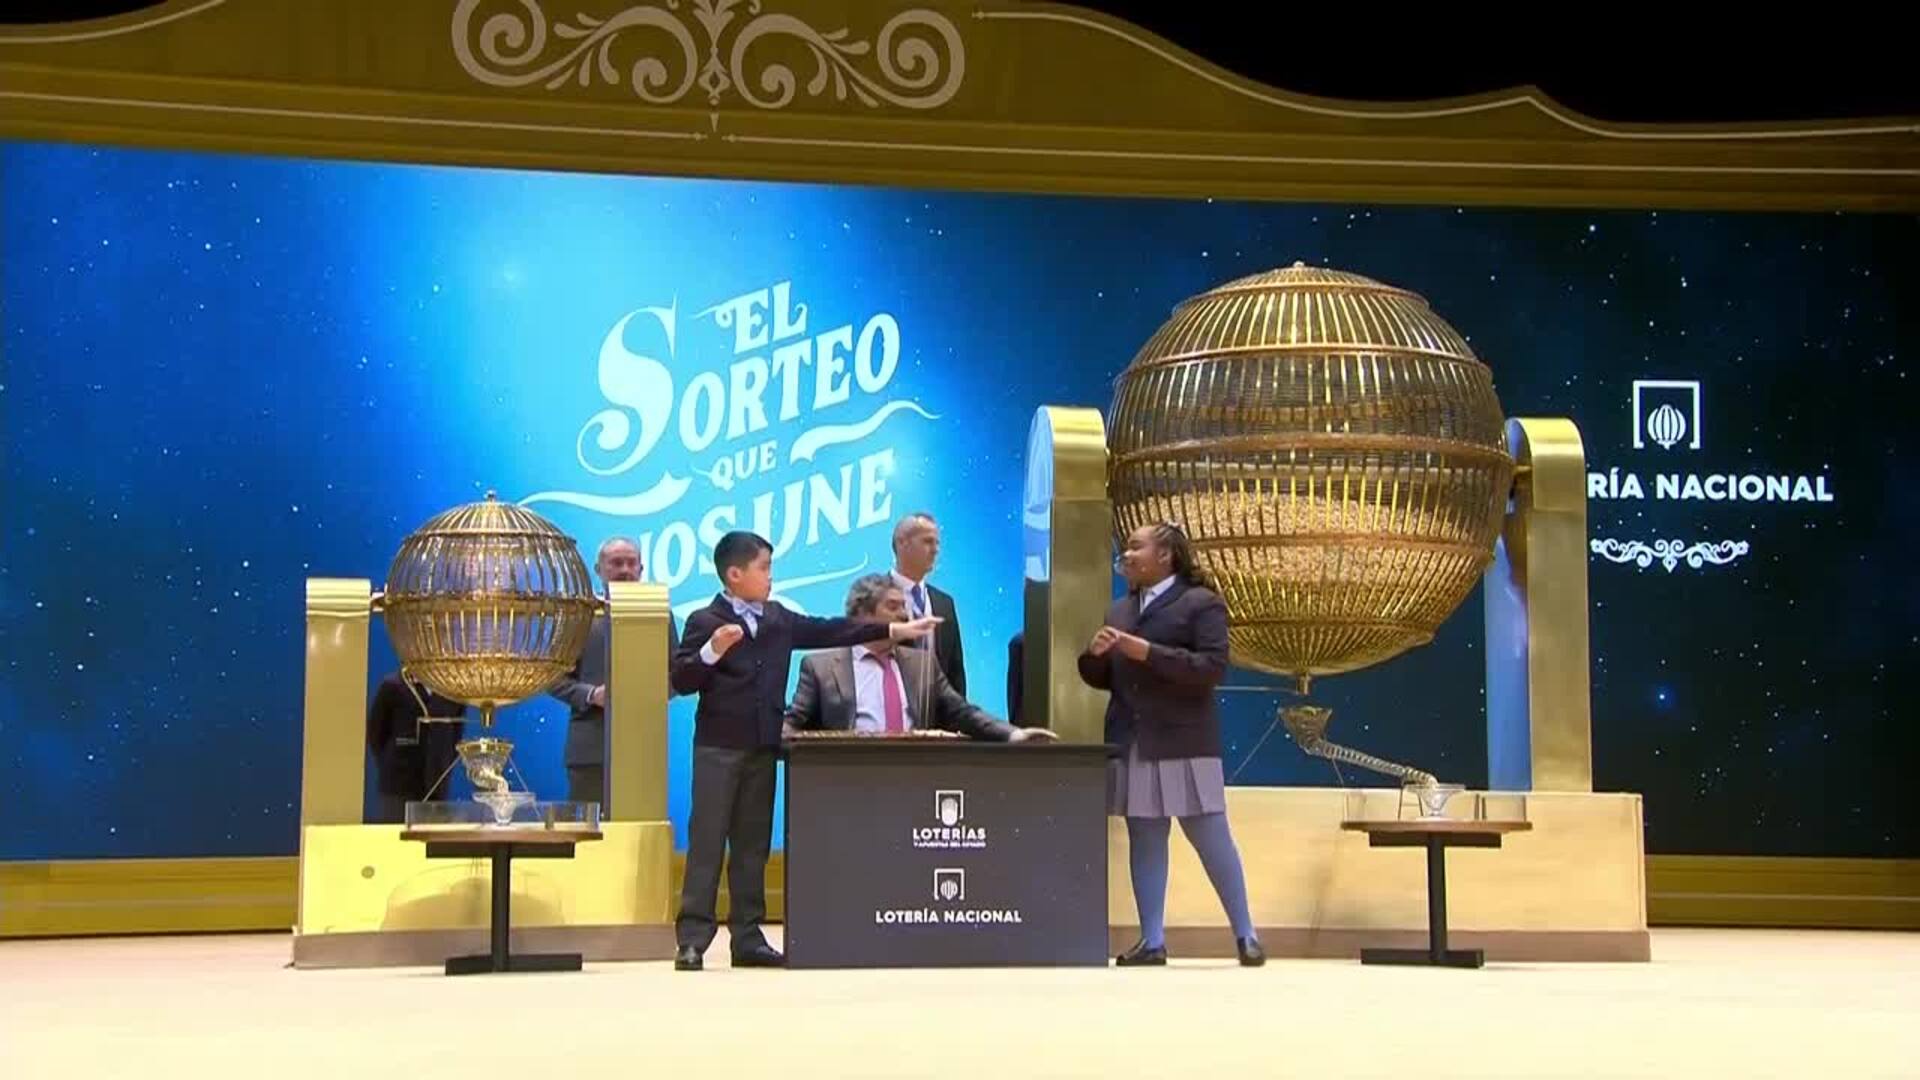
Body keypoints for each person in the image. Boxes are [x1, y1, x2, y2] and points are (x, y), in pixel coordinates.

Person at [670, 531, 941, 971]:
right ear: (734, 574)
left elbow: (831, 628)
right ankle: (693, 940)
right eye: (764, 568)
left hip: (763, 748)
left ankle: (748, 937)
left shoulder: (778, 618)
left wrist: (893, 629)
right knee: (707, 843)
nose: (770, 577)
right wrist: (711, 651)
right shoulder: (704, 620)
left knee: (752, 846)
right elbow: (682, 681)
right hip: (718, 749)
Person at [1077, 522, 1264, 967]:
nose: (1126, 554)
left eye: (1135, 547)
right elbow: (1105, 678)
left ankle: (1246, 935)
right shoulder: (1119, 610)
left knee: (1210, 836)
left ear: (1165, 556)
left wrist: (1148, 652)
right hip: (1133, 738)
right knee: (1145, 836)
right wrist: (1094, 656)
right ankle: (1152, 940)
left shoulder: (1201, 603)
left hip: (1185, 740)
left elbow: (1212, 668)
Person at [785, 574, 1057, 743]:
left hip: (915, 781)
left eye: (904, 606)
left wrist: (1012, 733)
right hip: (844, 783)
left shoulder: (922, 664)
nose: (905, 615)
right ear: (862, 615)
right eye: (893, 607)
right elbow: (793, 722)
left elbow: (961, 712)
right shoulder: (820, 667)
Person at [547, 537, 681, 810]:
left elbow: (678, 675)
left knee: (642, 826)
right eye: (616, 563)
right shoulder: (578, 617)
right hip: (590, 748)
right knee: (590, 828)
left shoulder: (659, 615)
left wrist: (654, 693)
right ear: (598, 569)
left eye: (631, 563)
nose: (625, 570)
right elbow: (551, 677)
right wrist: (591, 695)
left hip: (644, 747)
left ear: (641, 569)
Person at [365, 670, 466, 823]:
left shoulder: (451, 691)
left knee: (433, 836)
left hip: (437, 786)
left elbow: (455, 735)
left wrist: (441, 763)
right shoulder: (392, 686)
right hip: (399, 787)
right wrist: (392, 762)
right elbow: (376, 734)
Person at [890, 512, 967, 695]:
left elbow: (955, 673)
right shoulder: (873, 598)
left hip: (937, 710)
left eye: (937, 543)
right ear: (902, 543)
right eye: (927, 541)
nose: (935, 550)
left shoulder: (944, 604)